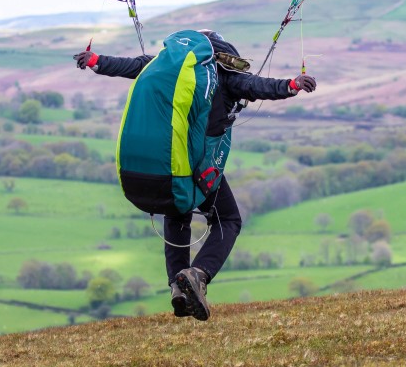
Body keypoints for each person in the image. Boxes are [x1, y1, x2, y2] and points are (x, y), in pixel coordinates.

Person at [74, 30, 316, 321]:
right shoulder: (224, 76)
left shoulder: (164, 68)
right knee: (229, 220)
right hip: (199, 168)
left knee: (177, 211)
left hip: (169, 167)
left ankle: (177, 286)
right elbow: (256, 85)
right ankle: (197, 274)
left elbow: (131, 66)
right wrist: (291, 85)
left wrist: (95, 60)